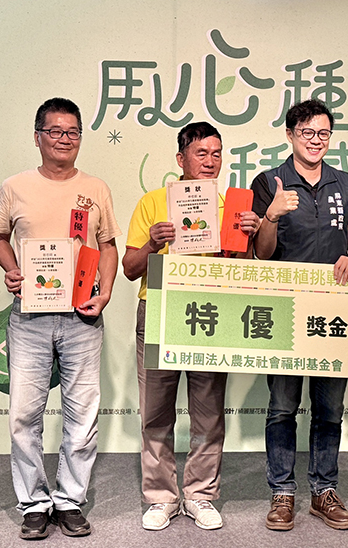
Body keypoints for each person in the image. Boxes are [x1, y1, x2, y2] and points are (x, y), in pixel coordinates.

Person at [0, 97, 120, 540]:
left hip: (82, 317)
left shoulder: (96, 188)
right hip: (29, 318)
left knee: (82, 414)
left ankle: (69, 500)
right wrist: (12, 269)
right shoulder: (14, 186)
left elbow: (107, 246)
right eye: (56, 131)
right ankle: (33, 503)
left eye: (73, 132)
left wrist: (105, 294)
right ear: (37, 136)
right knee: (24, 415)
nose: (65, 139)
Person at [123, 122, 257, 531]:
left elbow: (242, 270)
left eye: (217, 154)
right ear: (181, 159)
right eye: (201, 154)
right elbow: (129, 268)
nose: (210, 161)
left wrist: (248, 237)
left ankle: (200, 495)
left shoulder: (232, 206)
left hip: (210, 315)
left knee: (209, 413)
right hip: (159, 311)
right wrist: (153, 243)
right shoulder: (153, 202)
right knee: (155, 413)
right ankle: (161, 498)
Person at [250, 99, 348, 531]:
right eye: (306, 133)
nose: (315, 141)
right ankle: (282, 492)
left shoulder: (347, 184)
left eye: (323, 133)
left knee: (330, 408)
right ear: (290, 135)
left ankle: (324, 490)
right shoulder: (269, 182)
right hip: (285, 311)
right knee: (282, 407)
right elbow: (262, 254)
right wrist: (271, 215)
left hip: (334, 312)